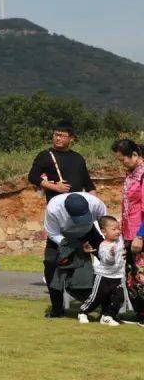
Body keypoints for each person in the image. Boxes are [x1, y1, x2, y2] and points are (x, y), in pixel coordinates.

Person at [27, 121, 97, 307]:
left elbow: (88, 184)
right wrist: (54, 186)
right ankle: (57, 307)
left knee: (86, 257)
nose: (57, 137)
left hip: (80, 217)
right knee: (51, 261)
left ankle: (90, 301)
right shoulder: (45, 155)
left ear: (71, 139)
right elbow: (32, 177)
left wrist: (94, 205)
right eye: (55, 134)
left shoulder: (78, 158)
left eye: (62, 135)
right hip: (57, 216)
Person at [43, 191, 106, 318]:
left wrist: (109, 246)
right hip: (62, 237)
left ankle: (108, 309)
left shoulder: (96, 203)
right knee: (50, 265)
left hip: (89, 233)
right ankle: (57, 309)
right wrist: (76, 247)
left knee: (108, 259)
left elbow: (105, 225)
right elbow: (53, 234)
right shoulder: (53, 209)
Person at [110, 138, 144, 321]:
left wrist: (140, 235)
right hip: (129, 233)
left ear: (135, 155)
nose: (121, 163)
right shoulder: (130, 174)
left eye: (123, 159)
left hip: (140, 233)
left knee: (142, 275)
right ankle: (140, 313)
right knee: (132, 276)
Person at [77, 216, 126, 326]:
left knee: (119, 298)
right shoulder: (103, 246)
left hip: (117, 276)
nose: (117, 231)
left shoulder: (119, 239)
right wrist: (111, 254)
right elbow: (107, 261)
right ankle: (83, 312)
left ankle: (107, 316)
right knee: (96, 297)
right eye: (113, 229)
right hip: (103, 277)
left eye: (118, 228)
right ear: (104, 231)